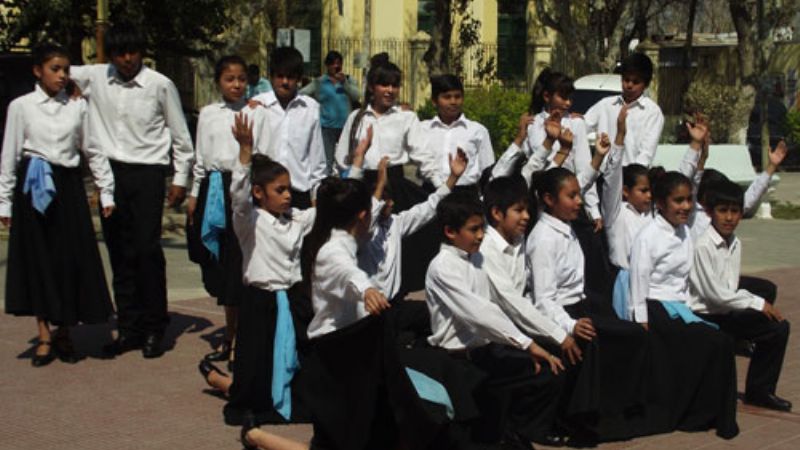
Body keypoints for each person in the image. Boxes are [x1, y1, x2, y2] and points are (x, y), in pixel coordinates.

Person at [69, 23, 195, 359]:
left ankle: (155, 327)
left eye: (133, 52)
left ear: (142, 51)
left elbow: (181, 136)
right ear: (110, 55)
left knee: (146, 251)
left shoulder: (159, 85)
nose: (127, 59)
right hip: (110, 175)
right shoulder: (95, 76)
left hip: (148, 174)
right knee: (119, 253)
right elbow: (56, 70)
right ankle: (128, 327)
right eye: (120, 53)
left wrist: (181, 179)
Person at [0, 43, 115, 366]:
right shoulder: (21, 106)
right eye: (55, 69)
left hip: (67, 187)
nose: (62, 76)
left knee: (69, 259)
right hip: (33, 183)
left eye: (66, 70)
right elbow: (9, 155)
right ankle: (44, 332)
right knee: (38, 260)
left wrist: (106, 191)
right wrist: (4, 202)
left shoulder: (78, 107)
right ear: (38, 71)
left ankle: (65, 330)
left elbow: (92, 149)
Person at [426, 191, 565, 449]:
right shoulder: (443, 267)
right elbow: (479, 314)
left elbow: (497, 305)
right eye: (473, 229)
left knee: (544, 374)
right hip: (457, 362)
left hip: (485, 352)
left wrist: (523, 344)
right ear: (450, 232)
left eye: (482, 228)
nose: (481, 235)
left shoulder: (477, 257)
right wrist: (526, 344)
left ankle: (517, 429)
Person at [206, 112, 316, 426]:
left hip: (292, 301)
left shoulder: (296, 217)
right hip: (259, 301)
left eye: (288, 189)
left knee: (299, 357)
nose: (287, 195)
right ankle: (245, 398)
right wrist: (245, 151)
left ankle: (288, 402)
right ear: (259, 192)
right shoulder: (249, 221)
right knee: (255, 363)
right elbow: (237, 196)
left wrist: (359, 165)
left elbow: (332, 208)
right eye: (279, 190)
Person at [629, 171, 739, 439]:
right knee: (717, 342)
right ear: (662, 203)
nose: (686, 206)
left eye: (689, 200)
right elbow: (639, 280)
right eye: (678, 201)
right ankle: (703, 416)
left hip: (681, 305)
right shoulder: (649, 236)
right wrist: (640, 319)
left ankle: (709, 412)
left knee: (720, 340)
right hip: (657, 307)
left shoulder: (685, 232)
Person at [187, 55, 269, 368]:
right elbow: (200, 159)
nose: (236, 85)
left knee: (242, 268)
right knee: (221, 269)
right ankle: (229, 334)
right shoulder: (207, 114)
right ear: (218, 82)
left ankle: (242, 342)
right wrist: (195, 194)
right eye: (229, 79)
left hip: (245, 188)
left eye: (241, 79)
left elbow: (265, 156)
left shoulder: (256, 113)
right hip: (213, 191)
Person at [688, 179, 791, 412]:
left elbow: (730, 288)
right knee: (762, 306)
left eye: (734, 211)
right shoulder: (703, 245)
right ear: (709, 212)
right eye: (723, 211)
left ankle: (760, 390)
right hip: (704, 317)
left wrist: (754, 305)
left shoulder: (735, 243)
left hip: (726, 313)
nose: (729, 217)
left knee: (778, 327)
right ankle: (736, 343)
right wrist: (756, 302)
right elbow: (715, 295)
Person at [602, 108, 708, 319]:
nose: (649, 196)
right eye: (643, 191)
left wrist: (695, 145)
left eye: (651, 190)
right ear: (625, 192)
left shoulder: (654, 215)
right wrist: (620, 137)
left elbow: (680, 181)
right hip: (626, 283)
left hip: (654, 288)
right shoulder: (616, 214)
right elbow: (611, 180)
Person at [334, 53, 422, 212]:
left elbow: (422, 154)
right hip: (363, 185)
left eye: (394, 86)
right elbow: (342, 159)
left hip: (395, 188)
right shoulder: (356, 118)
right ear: (371, 87)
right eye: (384, 85)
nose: (390, 90)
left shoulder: (406, 118)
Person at [252, 47, 326, 209]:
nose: (285, 82)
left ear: (299, 79)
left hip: (299, 192)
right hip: (266, 193)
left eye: (290, 77)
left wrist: (315, 195)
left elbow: (316, 158)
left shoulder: (310, 108)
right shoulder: (258, 106)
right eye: (279, 76)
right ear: (271, 77)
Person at [409, 74, 494, 194]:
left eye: (457, 97)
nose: (453, 102)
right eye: (447, 97)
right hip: (429, 193)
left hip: (465, 194)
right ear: (434, 101)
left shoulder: (477, 131)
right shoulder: (423, 129)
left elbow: (487, 170)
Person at [584, 52, 665, 167]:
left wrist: (633, 176)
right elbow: (582, 127)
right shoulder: (606, 105)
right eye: (626, 80)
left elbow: (646, 153)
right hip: (603, 172)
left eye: (636, 82)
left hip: (631, 174)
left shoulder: (652, 112)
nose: (629, 85)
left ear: (645, 84)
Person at [299, 50, 360, 175]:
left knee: (347, 159)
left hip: (346, 127)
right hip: (327, 127)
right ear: (327, 65)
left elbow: (357, 96)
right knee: (327, 159)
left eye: (339, 63)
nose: (336, 66)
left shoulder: (349, 80)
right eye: (333, 63)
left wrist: (345, 84)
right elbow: (301, 93)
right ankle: (327, 185)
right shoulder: (319, 82)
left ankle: (347, 184)